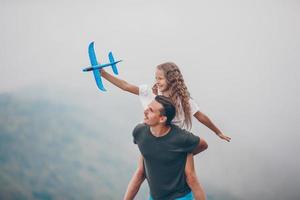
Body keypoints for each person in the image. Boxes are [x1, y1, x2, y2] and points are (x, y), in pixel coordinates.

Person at [100, 62, 231, 199]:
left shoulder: (183, 100)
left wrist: (218, 132)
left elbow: (200, 116)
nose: (157, 81)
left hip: (177, 144)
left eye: (160, 78)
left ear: (171, 79)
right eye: (156, 78)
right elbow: (125, 86)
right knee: (140, 173)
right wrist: (104, 74)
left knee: (190, 177)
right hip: (151, 137)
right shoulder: (151, 93)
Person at [131, 95, 205, 200]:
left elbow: (203, 145)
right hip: (154, 197)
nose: (145, 111)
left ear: (162, 119)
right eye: (147, 108)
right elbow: (140, 172)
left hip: (180, 197)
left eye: (151, 110)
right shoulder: (139, 132)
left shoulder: (182, 138)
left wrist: (181, 155)